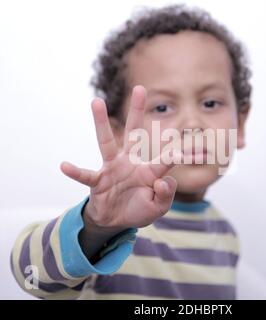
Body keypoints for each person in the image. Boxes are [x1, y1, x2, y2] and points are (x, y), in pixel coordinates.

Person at [10, 4, 251, 299]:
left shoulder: (227, 237)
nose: (192, 124)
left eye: (210, 103)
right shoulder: (118, 222)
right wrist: (97, 228)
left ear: (240, 124)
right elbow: (29, 276)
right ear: (122, 133)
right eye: (162, 107)